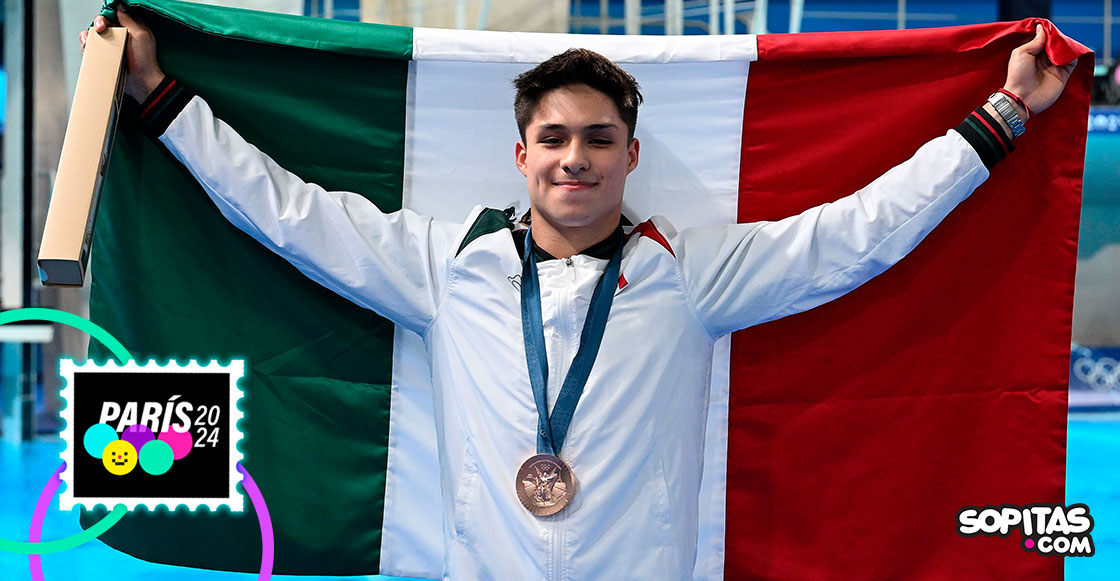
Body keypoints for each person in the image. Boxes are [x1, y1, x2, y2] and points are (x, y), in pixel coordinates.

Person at [83, 8, 1076, 579]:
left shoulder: (692, 274)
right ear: (520, 155)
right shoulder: (445, 265)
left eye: (599, 138)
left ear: (630, 155)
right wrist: (161, 100)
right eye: (554, 138)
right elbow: (287, 212)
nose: (575, 158)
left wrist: (1000, 115)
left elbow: (855, 233)